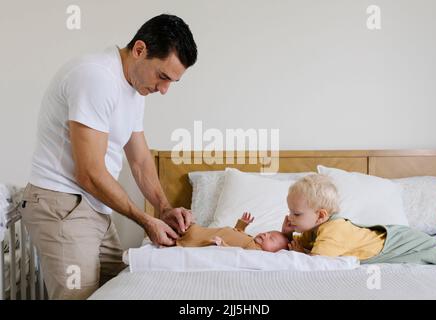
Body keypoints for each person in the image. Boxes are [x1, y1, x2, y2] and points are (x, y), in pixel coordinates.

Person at [19, 14, 197, 299]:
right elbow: (89, 172)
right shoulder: (96, 77)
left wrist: (163, 208)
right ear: (140, 50)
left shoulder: (135, 89)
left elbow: (139, 160)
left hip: (94, 209)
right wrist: (146, 220)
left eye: (172, 82)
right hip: (62, 206)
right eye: (163, 77)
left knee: (121, 291)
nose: (164, 90)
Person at [282, 174, 436, 265]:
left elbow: (318, 264)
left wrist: (300, 254)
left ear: (321, 215)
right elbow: (297, 245)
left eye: (296, 214)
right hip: (387, 238)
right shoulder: (313, 229)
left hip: (400, 242)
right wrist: (287, 235)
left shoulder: (333, 229)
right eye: (290, 212)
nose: (290, 217)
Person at [176, 212, 289, 252]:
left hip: (199, 239)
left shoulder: (256, 251)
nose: (266, 234)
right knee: (183, 226)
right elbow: (237, 235)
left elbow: (236, 252)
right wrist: (242, 225)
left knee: (181, 235)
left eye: (271, 238)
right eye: (268, 232)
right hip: (201, 231)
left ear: (274, 253)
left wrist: (222, 245)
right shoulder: (251, 241)